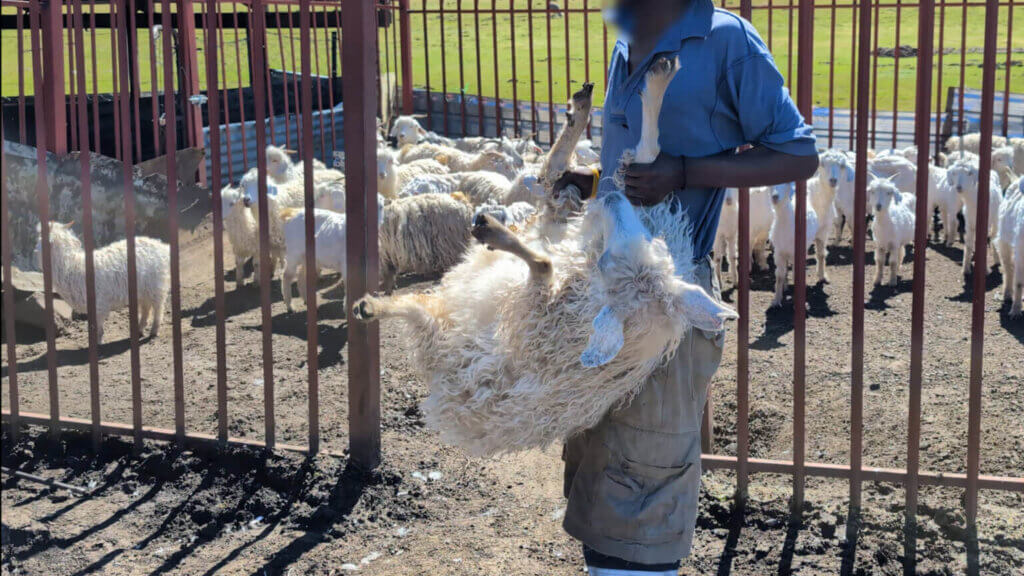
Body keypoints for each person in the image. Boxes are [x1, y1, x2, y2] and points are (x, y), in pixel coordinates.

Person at [554, 0, 818, 573]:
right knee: (600, 463)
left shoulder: (727, 41)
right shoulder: (630, 33)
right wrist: (595, 180)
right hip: (608, 288)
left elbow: (800, 154)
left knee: (644, 475)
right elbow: (636, 162)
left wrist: (687, 172)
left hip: (670, 297)